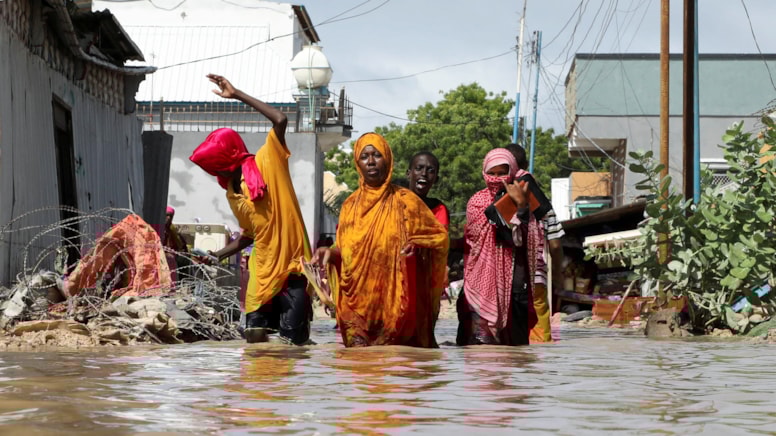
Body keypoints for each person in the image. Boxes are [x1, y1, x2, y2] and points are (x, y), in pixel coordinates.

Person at [189, 74, 312, 345]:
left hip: (292, 270)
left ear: (228, 155)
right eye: (210, 167)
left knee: (294, 345)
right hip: (262, 271)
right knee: (255, 341)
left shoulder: (268, 161)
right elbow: (249, 235)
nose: (214, 171)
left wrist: (237, 94)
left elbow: (280, 120)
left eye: (215, 164)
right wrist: (216, 255)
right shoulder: (231, 193)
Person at [312, 132, 449, 348]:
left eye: (377, 155)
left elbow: (439, 238)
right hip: (358, 304)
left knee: (395, 365)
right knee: (359, 367)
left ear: (387, 158)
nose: (371, 161)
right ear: (358, 163)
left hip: (395, 303)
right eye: (364, 156)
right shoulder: (350, 206)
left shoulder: (406, 201)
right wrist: (330, 253)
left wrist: (417, 246)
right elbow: (347, 252)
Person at [457, 148, 535, 346]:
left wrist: (523, 208)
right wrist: (515, 206)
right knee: (481, 347)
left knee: (513, 351)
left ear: (513, 173)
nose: (496, 178)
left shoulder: (526, 200)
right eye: (491, 173)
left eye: (502, 173)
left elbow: (528, 239)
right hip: (480, 282)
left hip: (515, 282)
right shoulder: (476, 202)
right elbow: (501, 232)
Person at [505, 144, 565, 343]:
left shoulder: (499, 201)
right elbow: (555, 246)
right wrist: (558, 276)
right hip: (535, 277)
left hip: (504, 277)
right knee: (539, 339)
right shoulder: (546, 209)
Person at [406, 151, 449, 229]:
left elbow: (439, 239)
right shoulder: (392, 202)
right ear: (409, 174)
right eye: (419, 168)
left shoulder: (438, 209)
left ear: (436, 179)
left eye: (430, 171)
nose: (424, 174)